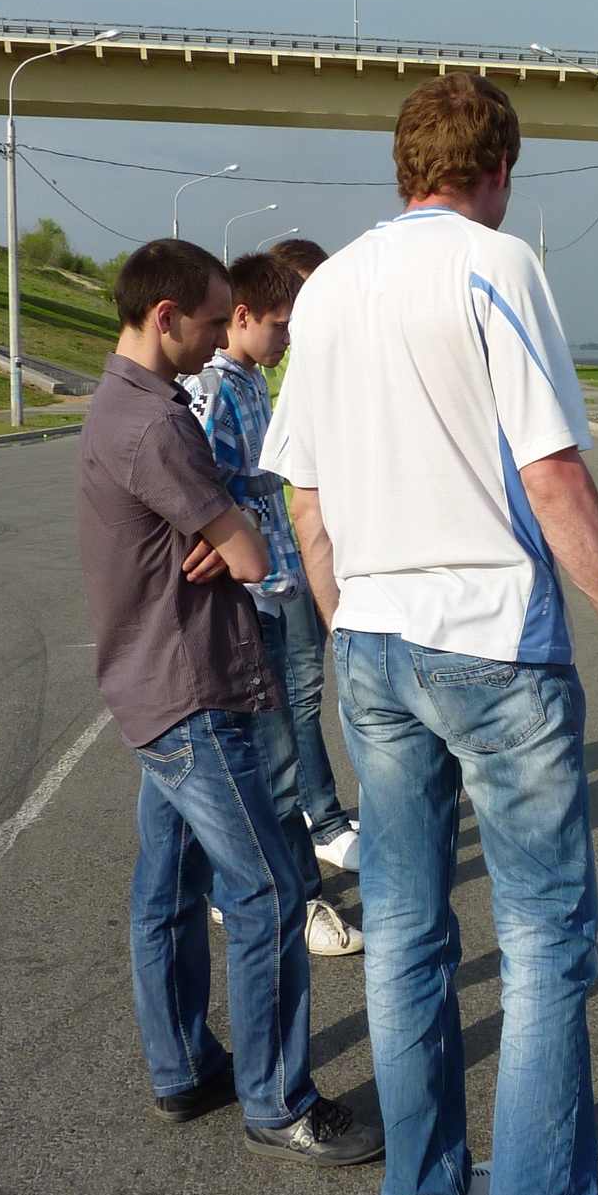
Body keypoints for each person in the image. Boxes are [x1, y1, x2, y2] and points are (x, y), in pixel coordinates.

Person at [264, 73, 598, 1195]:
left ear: (405, 168)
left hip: (373, 642)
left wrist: (351, 620)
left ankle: (424, 1192)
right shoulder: (496, 265)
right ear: (496, 169)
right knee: (544, 944)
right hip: (491, 638)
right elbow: (551, 475)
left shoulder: (327, 288)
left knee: (402, 932)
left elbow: (304, 496)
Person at [74, 237, 383, 1166]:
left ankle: (183, 1069)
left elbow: (224, 531)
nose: (220, 339)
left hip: (150, 686)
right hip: (193, 691)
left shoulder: (124, 405)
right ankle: (280, 1103)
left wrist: (225, 521)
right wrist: (236, 523)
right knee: (272, 889)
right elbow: (249, 554)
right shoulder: (156, 425)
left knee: (168, 889)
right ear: (165, 316)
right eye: (211, 323)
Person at [185, 249, 361, 958]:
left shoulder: (255, 379)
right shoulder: (215, 387)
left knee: (285, 737)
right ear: (242, 315)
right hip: (252, 595)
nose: (287, 338)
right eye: (280, 325)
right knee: (271, 752)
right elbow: (198, 484)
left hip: (280, 577)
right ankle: (281, 895)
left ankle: (277, 883)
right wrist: (227, 549)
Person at [264, 236, 361, 875]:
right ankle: (320, 819)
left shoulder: (305, 352)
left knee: (311, 685)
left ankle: (319, 810)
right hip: (288, 546)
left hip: (317, 538)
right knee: (302, 689)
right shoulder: (271, 363)